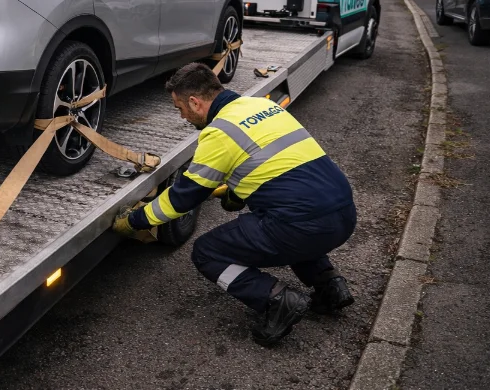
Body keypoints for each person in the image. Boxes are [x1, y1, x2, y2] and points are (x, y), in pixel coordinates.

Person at [113, 62, 357, 346]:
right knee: (288, 221)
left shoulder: (219, 132)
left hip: (303, 226)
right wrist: (237, 193)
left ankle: (277, 300)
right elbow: (275, 166)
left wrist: (134, 220)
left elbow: (183, 197)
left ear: (195, 102)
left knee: (207, 252)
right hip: (343, 214)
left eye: (180, 108)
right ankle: (330, 287)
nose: (182, 116)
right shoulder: (262, 107)